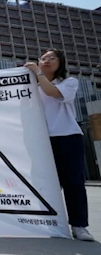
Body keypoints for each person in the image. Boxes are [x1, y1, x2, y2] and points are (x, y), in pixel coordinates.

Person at [25, 49, 94, 242]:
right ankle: (49, 223)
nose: (46, 60)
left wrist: (36, 72)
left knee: (74, 183)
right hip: (41, 141)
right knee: (45, 184)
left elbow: (51, 92)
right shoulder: (29, 88)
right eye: (43, 58)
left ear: (60, 63)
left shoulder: (68, 83)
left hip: (68, 138)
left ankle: (79, 226)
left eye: (51, 58)